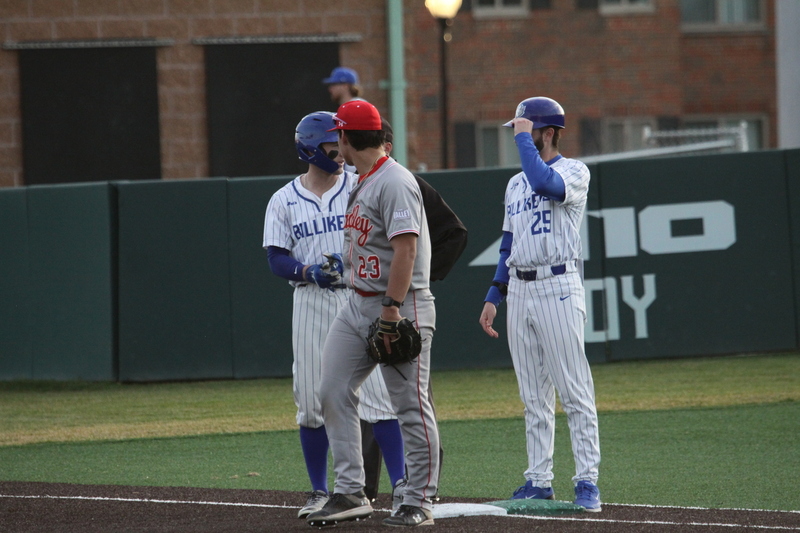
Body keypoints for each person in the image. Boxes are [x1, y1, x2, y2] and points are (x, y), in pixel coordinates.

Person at [262, 111, 406, 519]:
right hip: (310, 301)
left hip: (359, 297)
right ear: (311, 146)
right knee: (311, 400)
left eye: (341, 139)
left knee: (379, 399)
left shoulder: (360, 185)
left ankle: (401, 486)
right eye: (332, 141)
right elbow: (275, 258)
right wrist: (306, 271)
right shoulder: (284, 199)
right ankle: (319, 490)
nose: (339, 148)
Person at [307, 101, 440, 528]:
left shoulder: (395, 181)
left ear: (345, 138)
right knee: (331, 388)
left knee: (409, 405)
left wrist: (391, 309)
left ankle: (419, 498)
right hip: (357, 303)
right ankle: (349, 491)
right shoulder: (364, 179)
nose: (335, 145)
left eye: (337, 137)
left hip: (398, 304)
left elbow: (407, 248)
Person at [478, 97, 602, 512]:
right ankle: (538, 480)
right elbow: (508, 243)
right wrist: (495, 294)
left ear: (547, 133)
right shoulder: (513, 184)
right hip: (521, 287)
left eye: (527, 131)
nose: (518, 139)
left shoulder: (574, 171)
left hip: (558, 285)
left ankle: (587, 480)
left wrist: (524, 141)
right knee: (533, 395)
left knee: (573, 389)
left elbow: (544, 183)